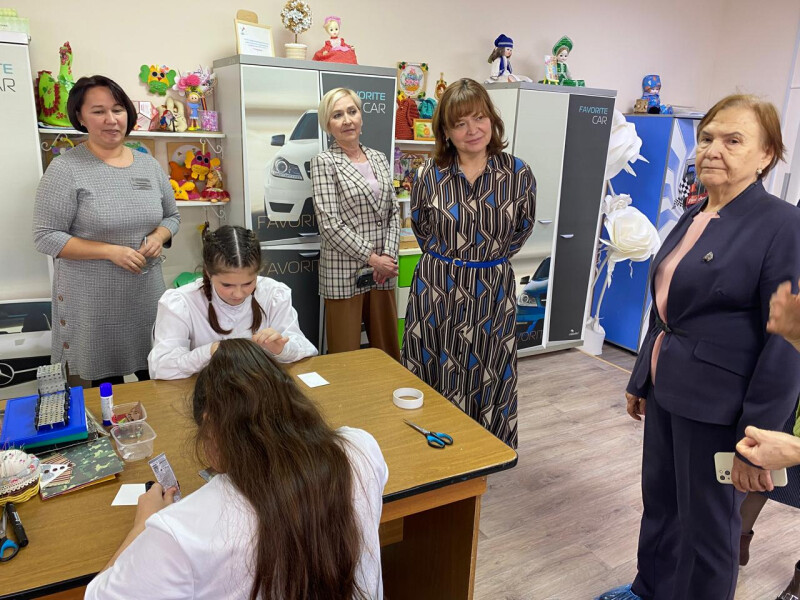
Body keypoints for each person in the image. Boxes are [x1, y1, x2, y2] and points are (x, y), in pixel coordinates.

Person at [596, 94, 800, 600]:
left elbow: (786, 342)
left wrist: (759, 437)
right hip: (669, 390)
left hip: (721, 408)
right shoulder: (695, 212)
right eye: (707, 138)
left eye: (734, 140)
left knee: (708, 528)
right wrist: (642, 378)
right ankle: (650, 588)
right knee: (661, 503)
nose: (713, 149)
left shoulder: (783, 225)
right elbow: (667, 309)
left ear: (766, 155)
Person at [85, 338, 388, 599]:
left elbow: (98, 595)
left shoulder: (182, 531)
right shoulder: (362, 449)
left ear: (209, 426)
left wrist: (142, 525)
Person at [401, 78, 536, 448]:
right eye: (459, 123)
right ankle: (432, 444)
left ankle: (482, 449)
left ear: (492, 120)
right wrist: (454, 262)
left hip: (491, 291)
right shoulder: (428, 174)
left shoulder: (518, 174)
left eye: (479, 118)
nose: (472, 130)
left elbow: (522, 229)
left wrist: (483, 260)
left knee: (488, 368)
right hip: (437, 288)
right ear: (446, 132)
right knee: (434, 365)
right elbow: (422, 227)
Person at [32, 75, 180, 387]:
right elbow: (45, 235)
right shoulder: (65, 169)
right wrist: (110, 251)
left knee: (158, 376)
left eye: (117, 110)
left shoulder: (149, 166)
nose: (111, 120)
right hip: (93, 300)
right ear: (80, 117)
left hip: (146, 294)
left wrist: (159, 236)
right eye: (98, 111)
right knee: (107, 389)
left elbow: (172, 216)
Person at [148, 225, 316, 379]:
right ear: (208, 273)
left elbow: (306, 349)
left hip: (260, 388)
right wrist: (210, 352)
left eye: (248, 283)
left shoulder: (273, 293)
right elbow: (160, 366)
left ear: (258, 272)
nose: (238, 293)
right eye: (227, 285)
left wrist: (281, 349)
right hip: (206, 392)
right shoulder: (182, 302)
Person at [310, 87, 401, 360]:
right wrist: (374, 260)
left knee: (387, 350)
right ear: (328, 124)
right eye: (337, 115)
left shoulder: (379, 158)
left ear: (361, 116)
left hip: (383, 271)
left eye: (352, 111)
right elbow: (330, 224)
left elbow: (393, 211)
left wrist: (388, 256)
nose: (347, 120)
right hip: (344, 271)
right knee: (345, 354)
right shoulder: (324, 162)